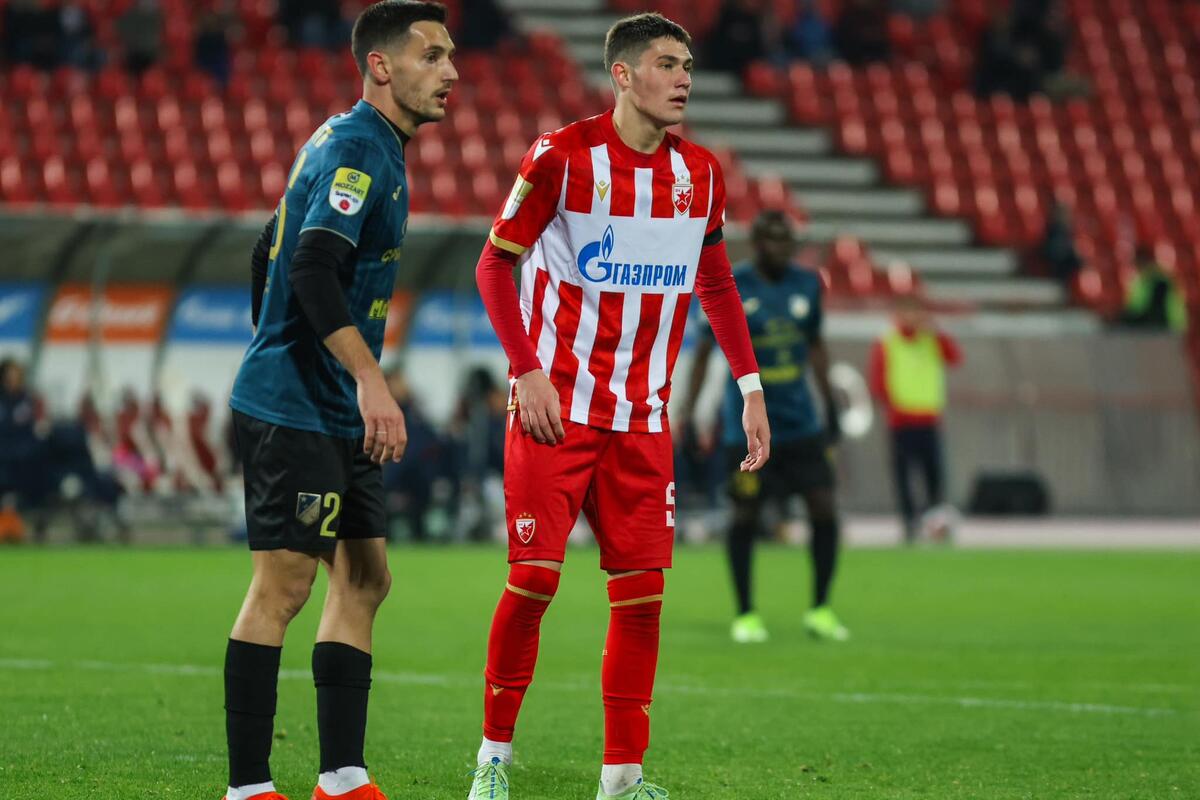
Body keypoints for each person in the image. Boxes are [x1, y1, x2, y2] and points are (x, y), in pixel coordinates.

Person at [468, 13, 769, 800]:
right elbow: (495, 266)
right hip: (556, 414)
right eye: (667, 64)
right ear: (624, 75)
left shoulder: (701, 174)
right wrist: (526, 370)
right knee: (534, 582)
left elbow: (716, 284)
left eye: (688, 65)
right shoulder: (562, 157)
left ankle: (622, 778)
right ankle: (493, 759)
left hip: (642, 422)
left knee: (641, 603)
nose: (684, 78)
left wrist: (750, 389)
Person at [222, 4, 457, 800]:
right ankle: (248, 788)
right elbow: (311, 267)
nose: (451, 71)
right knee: (283, 587)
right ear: (381, 66)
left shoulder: (357, 140)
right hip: (299, 409)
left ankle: (343, 778)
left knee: (365, 578)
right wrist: (365, 378)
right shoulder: (359, 148)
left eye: (451, 55)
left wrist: (280, 340)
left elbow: (270, 244)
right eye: (432, 56)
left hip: (329, 407)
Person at [680, 210, 848, 643]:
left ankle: (821, 608)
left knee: (824, 508)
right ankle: (746, 613)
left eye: (786, 240)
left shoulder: (808, 284)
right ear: (756, 243)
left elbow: (815, 345)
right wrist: (689, 412)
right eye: (772, 239)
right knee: (745, 514)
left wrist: (830, 404)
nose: (781, 247)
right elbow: (704, 353)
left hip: (800, 421)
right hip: (748, 427)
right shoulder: (731, 285)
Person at [868, 295, 963, 544]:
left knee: (934, 475)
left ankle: (936, 523)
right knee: (904, 475)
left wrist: (937, 330)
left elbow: (954, 357)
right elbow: (878, 381)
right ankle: (909, 523)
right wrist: (891, 405)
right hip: (901, 420)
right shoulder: (888, 341)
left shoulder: (931, 339)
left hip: (929, 418)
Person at [1119, 247, 1188, 333]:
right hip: (1153, 327)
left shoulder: (1160, 282)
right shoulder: (1140, 280)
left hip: (1164, 328)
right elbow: (1136, 309)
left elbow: (1153, 313)